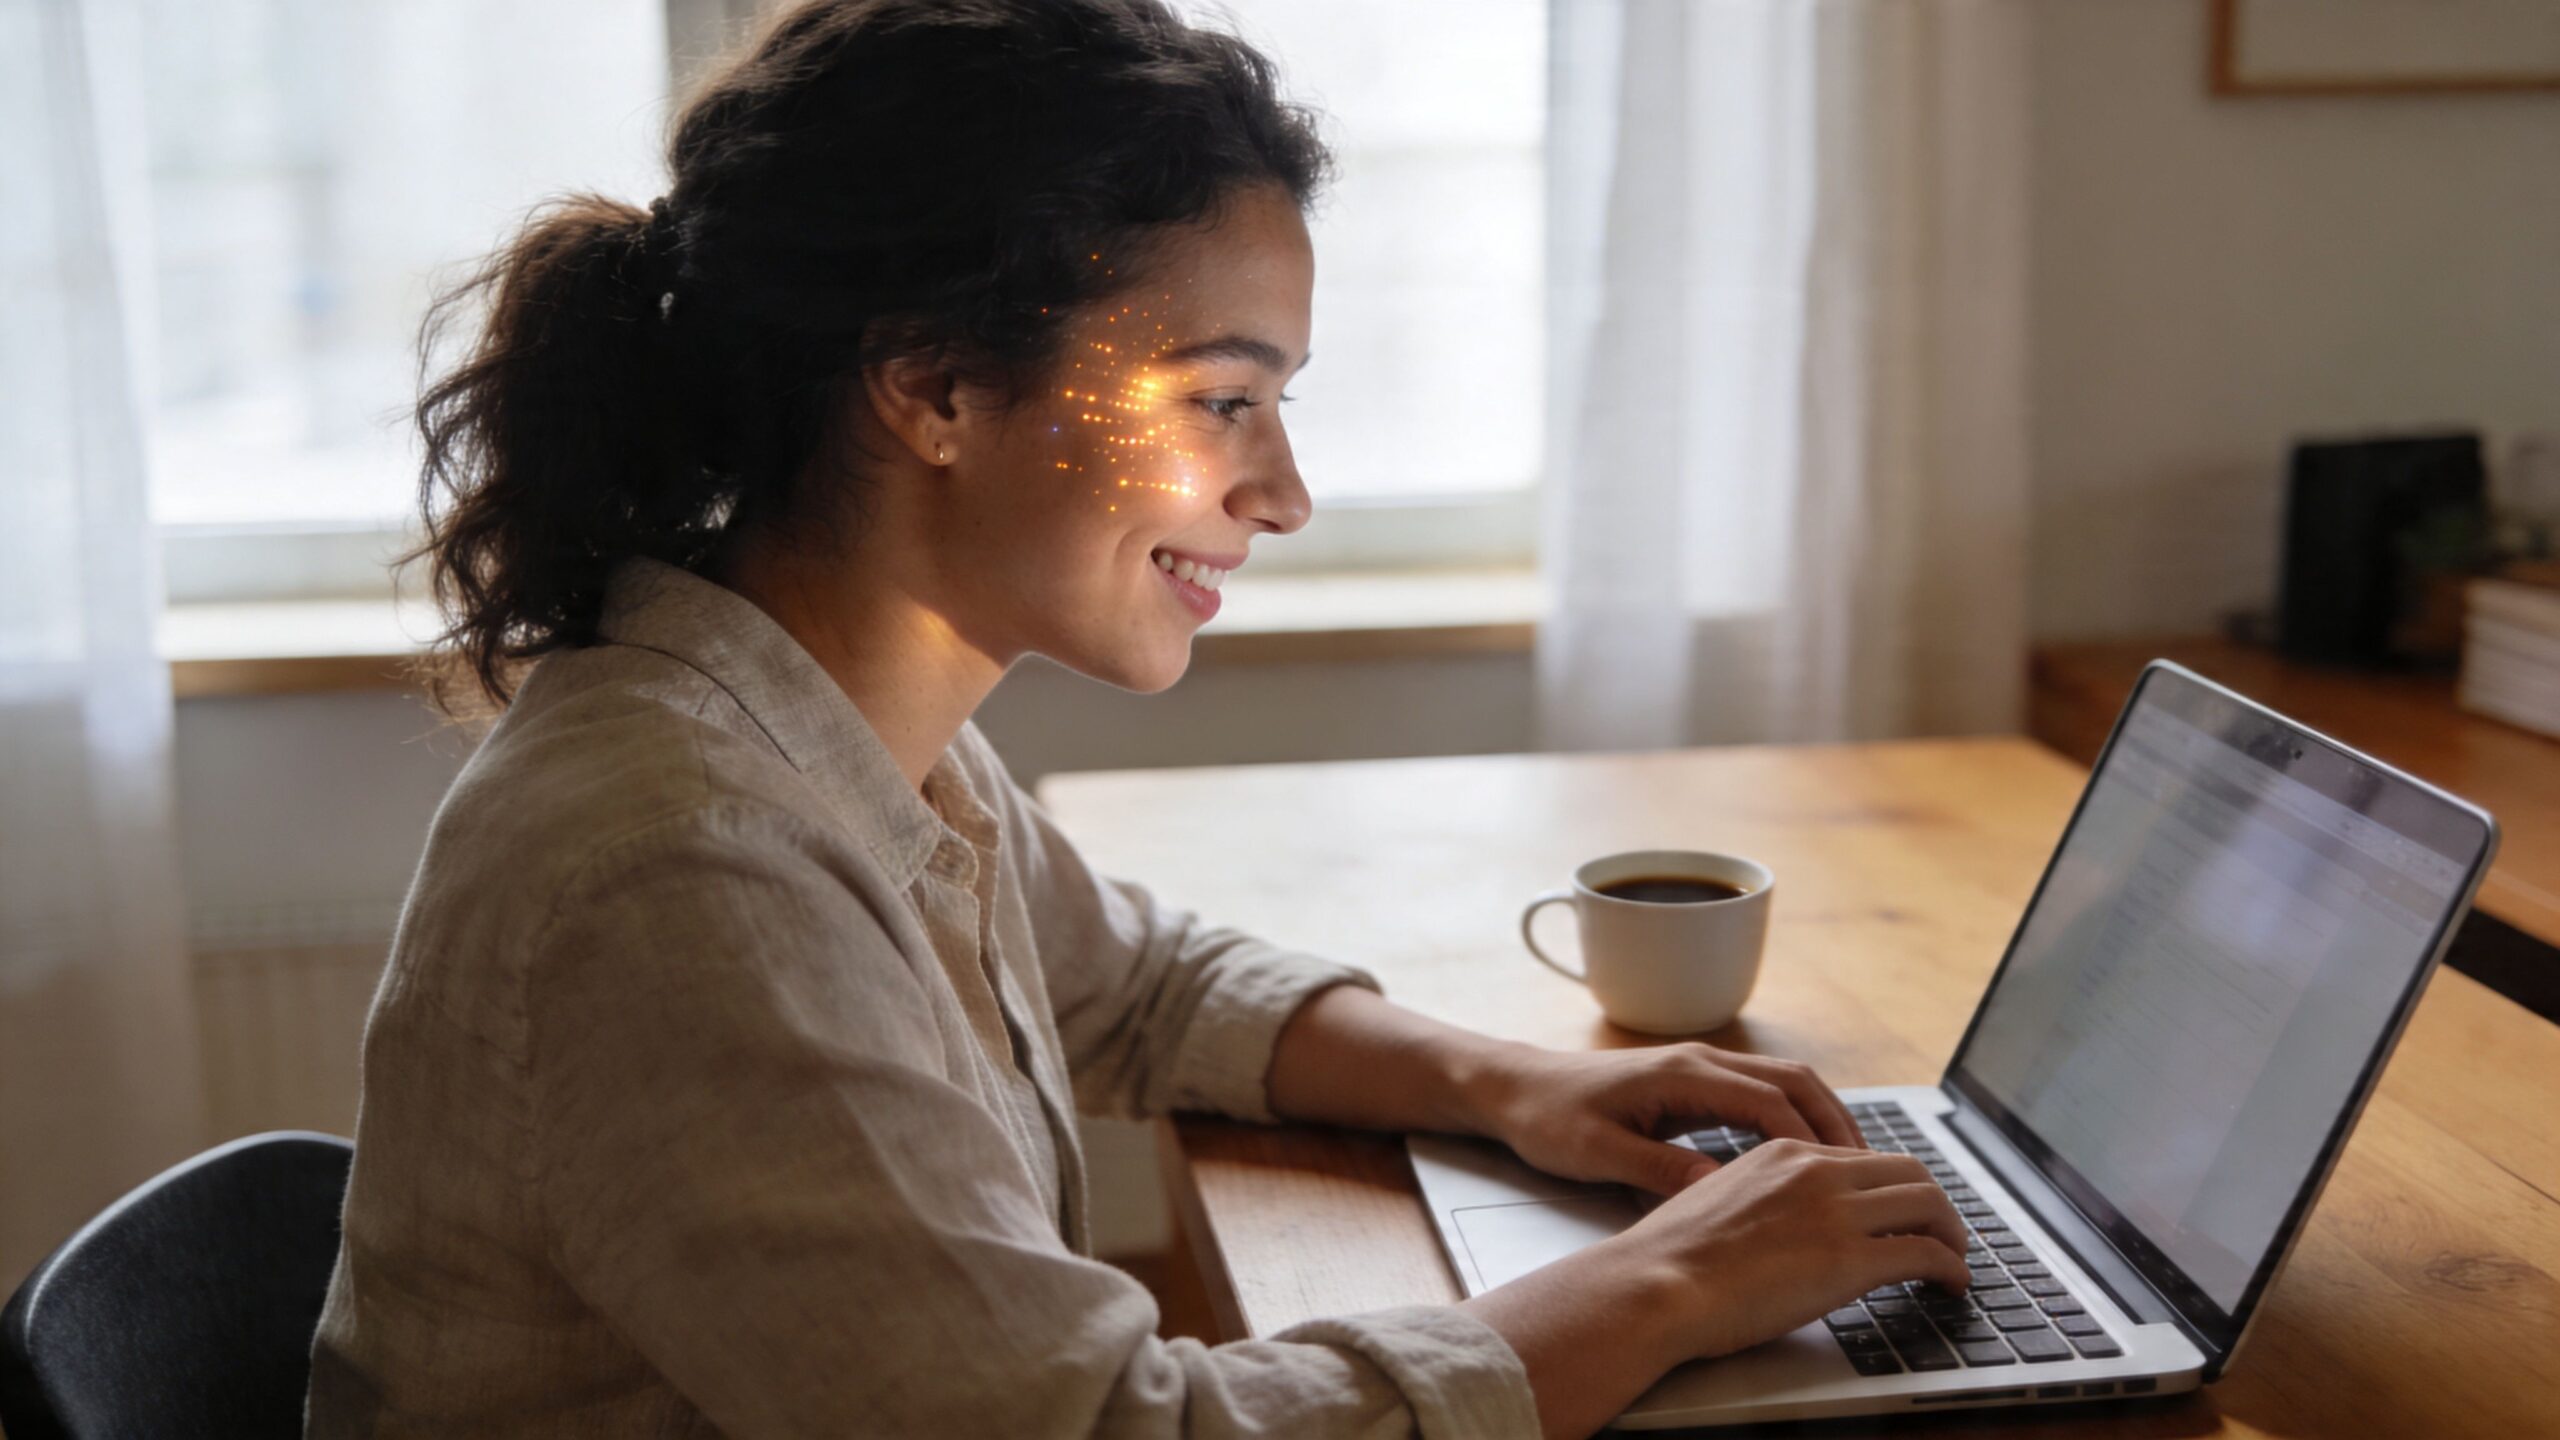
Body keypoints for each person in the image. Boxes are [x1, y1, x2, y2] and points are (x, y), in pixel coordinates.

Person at [304, 2, 1969, 1436]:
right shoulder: (682, 865)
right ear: (937, 387)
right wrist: (1679, 1278)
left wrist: (1519, 1086)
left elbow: (1144, 989)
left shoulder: (828, 718)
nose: (1287, 493)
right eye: (1219, 400)